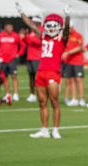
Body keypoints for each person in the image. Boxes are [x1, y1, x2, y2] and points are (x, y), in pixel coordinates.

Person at [16, 2, 70, 139]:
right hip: (41, 71)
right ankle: (44, 129)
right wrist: (21, 13)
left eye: (54, 26)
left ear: (59, 27)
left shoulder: (61, 38)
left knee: (54, 101)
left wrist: (67, 16)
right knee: (42, 102)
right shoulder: (43, 36)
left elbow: (67, 30)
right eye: (49, 26)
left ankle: (56, 129)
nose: (51, 28)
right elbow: (31, 25)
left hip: (53, 72)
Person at [0, 22, 25, 102]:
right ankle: (8, 93)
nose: (11, 29)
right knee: (4, 77)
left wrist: (19, 54)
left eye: (12, 27)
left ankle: (16, 94)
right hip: (2, 59)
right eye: (9, 27)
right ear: (5, 27)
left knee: (14, 76)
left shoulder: (16, 36)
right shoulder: (0, 35)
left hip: (12, 59)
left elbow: (23, 45)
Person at [61, 21, 86, 106]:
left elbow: (80, 47)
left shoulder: (78, 36)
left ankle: (82, 99)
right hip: (68, 61)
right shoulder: (65, 36)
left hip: (77, 61)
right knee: (70, 80)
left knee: (79, 80)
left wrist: (68, 53)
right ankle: (74, 98)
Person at [24, 16, 42, 102]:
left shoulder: (41, 30)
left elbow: (38, 42)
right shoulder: (32, 31)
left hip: (37, 57)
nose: (31, 23)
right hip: (30, 56)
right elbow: (29, 42)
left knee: (38, 78)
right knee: (31, 77)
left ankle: (40, 94)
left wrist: (26, 36)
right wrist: (24, 38)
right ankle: (32, 94)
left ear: (38, 23)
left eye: (33, 22)